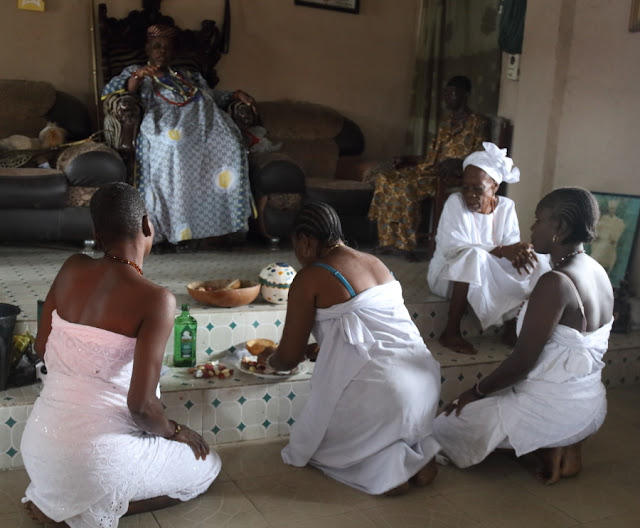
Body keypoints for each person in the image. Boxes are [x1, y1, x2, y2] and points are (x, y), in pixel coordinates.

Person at [20, 182, 220, 528]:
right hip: (93, 462)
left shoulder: (71, 267)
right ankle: (95, 510)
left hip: (38, 446)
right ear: (147, 225)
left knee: (94, 453)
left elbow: (41, 346)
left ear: (96, 234)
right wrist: (176, 430)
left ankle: (53, 499)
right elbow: (142, 408)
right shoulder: (156, 299)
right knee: (206, 468)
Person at [256, 202, 442, 495]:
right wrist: (319, 350)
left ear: (305, 242)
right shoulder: (375, 263)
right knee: (386, 416)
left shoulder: (310, 276)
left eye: (295, 246)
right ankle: (416, 457)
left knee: (315, 444)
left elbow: (288, 357)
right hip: (425, 382)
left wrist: (270, 360)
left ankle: (390, 473)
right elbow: (369, 332)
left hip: (389, 391)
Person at [433, 188, 614, 485]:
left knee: (445, 425)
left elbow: (522, 363)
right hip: (591, 405)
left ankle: (548, 444)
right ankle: (561, 443)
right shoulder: (597, 270)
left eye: (538, 219)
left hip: (552, 409)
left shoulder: (555, 282)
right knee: (499, 404)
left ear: (560, 228)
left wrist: (474, 392)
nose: (532, 228)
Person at [102, 24, 255, 249]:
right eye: (157, 46)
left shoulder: (186, 74)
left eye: (166, 47)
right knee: (175, 144)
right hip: (165, 120)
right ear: (148, 49)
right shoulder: (137, 70)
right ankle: (179, 228)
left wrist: (234, 94)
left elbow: (211, 95)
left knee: (231, 145)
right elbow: (119, 91)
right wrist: (139, 75)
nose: (161, 51)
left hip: (205, 120)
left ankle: (225, 227)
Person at [427, 142, 551, 354]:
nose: (469, 194)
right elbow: (451, 247)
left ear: (494, 187)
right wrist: (502, 251)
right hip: (449, 277)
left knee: (539, 261)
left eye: (478, 189)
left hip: (488, 273)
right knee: (473, 256)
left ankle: (513, 325)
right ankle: (451, 331)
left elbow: (511, 246)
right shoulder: (454, 202)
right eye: (465, 187)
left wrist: (521, 251)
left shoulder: (506, 206)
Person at [367, 75, 490, 260]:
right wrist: (408, 159)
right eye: (445, 94)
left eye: (452, 94)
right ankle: (388, 242)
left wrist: (458, 163)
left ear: (465, 95)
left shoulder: (478, 122)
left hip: (452, 174)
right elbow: (431, 156)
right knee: (385, 179)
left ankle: (404, 245)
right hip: (430, 169)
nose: (447, 98)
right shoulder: (445, 122)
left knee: (404, 187)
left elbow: (481, 155)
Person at [589, 199, 626, 273]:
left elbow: (618, 231)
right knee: (596, 256)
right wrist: (597, 235)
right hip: (600, 242)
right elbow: (596, 228)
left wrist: (614, 238)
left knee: (608, 258)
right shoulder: (603, 218)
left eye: (614, 209)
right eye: (611, 208)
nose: (612, 210)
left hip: (609, 243)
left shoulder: (618, 221)